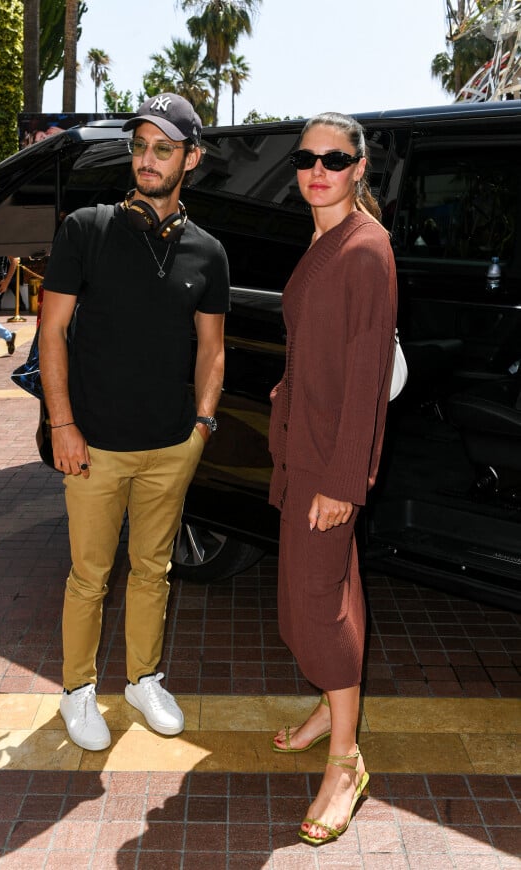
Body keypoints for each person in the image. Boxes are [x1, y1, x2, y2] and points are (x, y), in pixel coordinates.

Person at [39, 93, 230, 752]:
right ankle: (77, 691)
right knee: (89, 576)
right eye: (140, 145)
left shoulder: (208, 252)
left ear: (191, 159)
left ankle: (144, 679)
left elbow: (213, 346)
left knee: (154, 572)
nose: (147, 160)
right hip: (92, 445)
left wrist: (201, 426)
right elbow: (52, 332)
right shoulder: (85, 229)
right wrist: (62, 424)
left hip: (170, 446)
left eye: (164, 148)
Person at [268, 112, 397, 847]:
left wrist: (345, 482)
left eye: (335, 157)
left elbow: (367, 376)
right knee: (306, 597)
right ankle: (329, 709)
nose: (319, 168)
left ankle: (347, 760)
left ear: (358, 168)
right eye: (308, 157)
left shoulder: (366, 249)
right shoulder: (321, 239)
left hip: (331, 461)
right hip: (303, 449)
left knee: (322, 609)